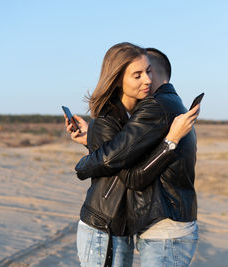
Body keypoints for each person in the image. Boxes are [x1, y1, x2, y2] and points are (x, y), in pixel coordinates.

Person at [65, 42, 199, 267]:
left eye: (148, 71)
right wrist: (86, 161)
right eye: (137, 75)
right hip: (103, 226)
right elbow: (117, 161)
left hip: (125, 228)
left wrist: (93, 143)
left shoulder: (139, 114)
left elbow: (120, 157)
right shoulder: (110, 116)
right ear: (118, 79)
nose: (147, 79)